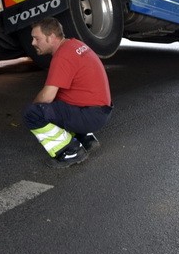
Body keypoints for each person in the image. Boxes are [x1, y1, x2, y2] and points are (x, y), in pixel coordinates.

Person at [22, 17, 112, 167]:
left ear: (51, 37)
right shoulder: (74, 44)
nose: (33, 43)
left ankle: (71, 150)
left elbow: (46, 97)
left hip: (91, 115)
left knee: (33, 113)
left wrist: (37, 109)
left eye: (36, 38)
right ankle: (85, 138)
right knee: (59, 99)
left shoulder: (62, 57)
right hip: (100, 111)